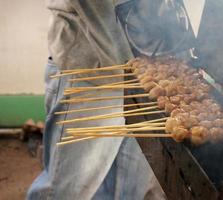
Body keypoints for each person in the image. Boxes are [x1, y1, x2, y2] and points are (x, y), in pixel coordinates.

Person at [26, 0, 166, 199]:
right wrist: (133, 71)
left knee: (130, 186)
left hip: (144, 73)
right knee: (67, 188)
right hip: (90, 68)